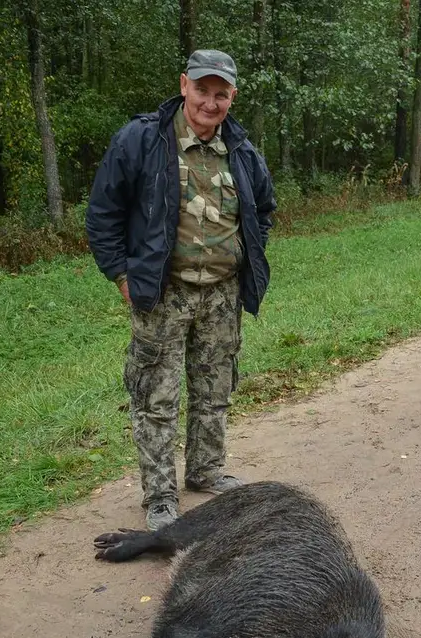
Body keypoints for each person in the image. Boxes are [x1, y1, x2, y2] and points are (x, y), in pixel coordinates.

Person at [86, 49, 278, 531]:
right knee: (156, 395)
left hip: (221, 294)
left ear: (232, 97)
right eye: (202, 90)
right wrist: (123, 276)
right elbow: (102, 214)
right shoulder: (142, 141)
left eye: (221, 94)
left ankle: (206, 470)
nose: (210, 103)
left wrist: (242, 260)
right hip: (162, 293)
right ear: (184, 85)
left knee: (215, 389)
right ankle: (159, 497)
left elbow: (264, 211)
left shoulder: (242, 149)